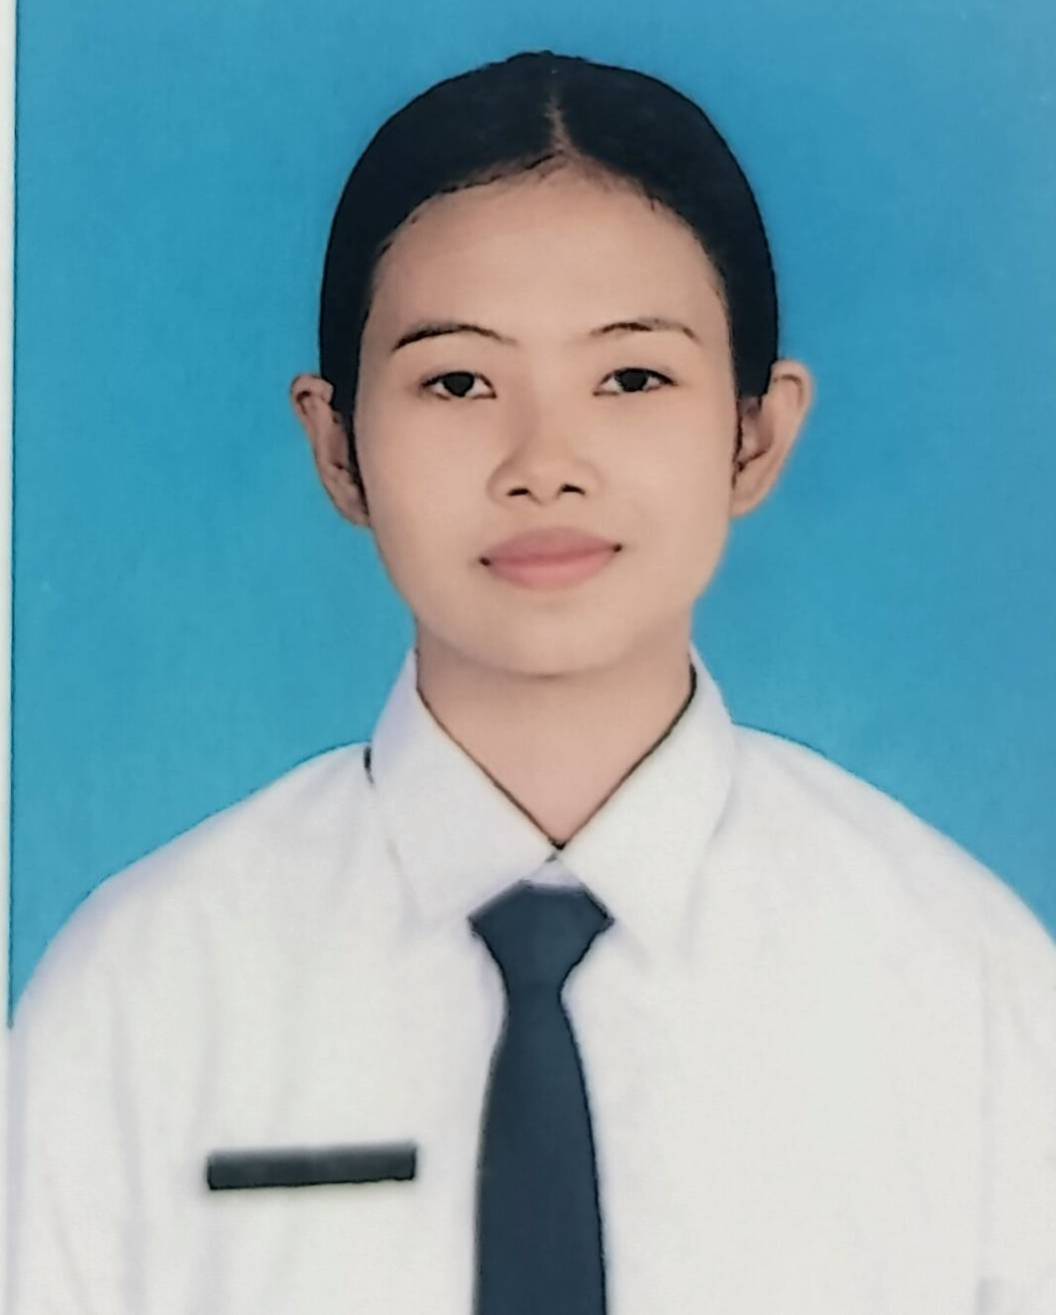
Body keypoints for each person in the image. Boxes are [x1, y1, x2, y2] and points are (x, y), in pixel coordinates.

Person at [6, 48, 1055, 1315]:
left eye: (632, 377)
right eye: (457, 380)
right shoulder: (141, 993)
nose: (544, 463)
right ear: (337, 445)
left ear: (756, 432)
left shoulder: (966, 985)